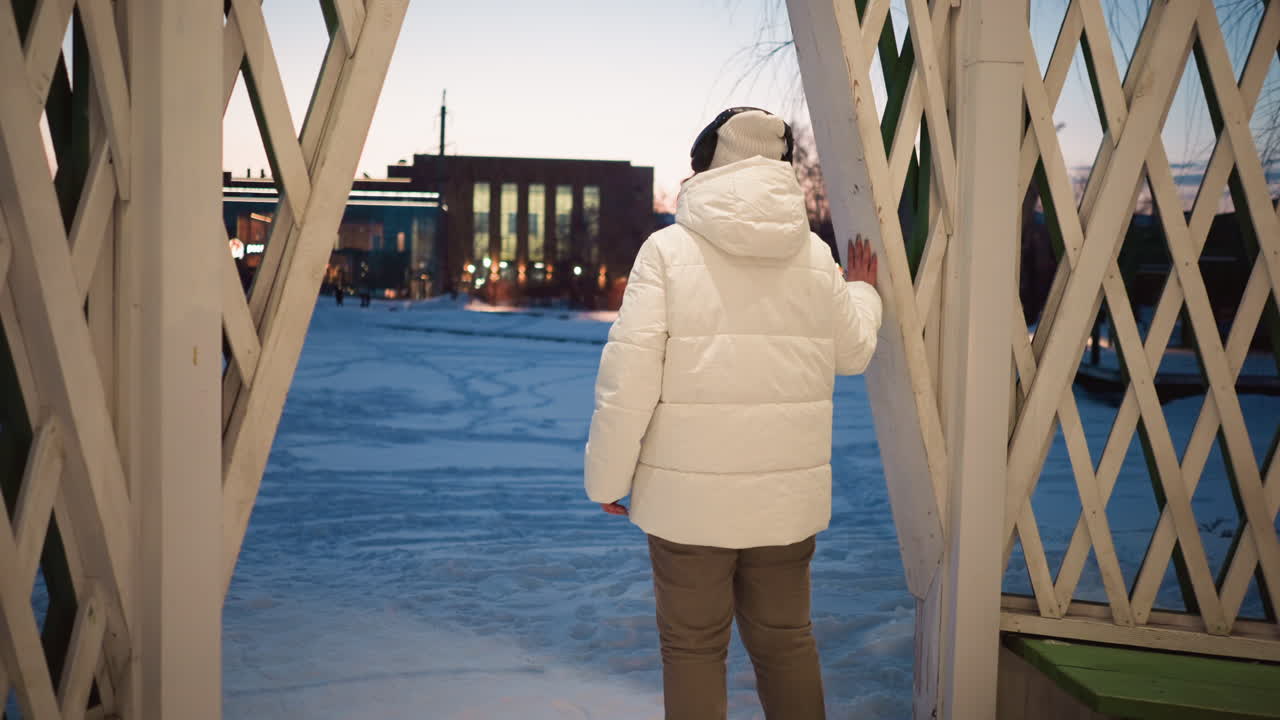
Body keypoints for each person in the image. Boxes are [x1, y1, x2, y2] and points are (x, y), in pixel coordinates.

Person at [583, 107, 881, 720]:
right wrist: (863, 293)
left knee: (692, 648)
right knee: (786, 642)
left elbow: (628, 378)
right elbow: (853, 353)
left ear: (706, 167)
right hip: (784, 502)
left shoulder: (666, 252)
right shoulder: (813, 257)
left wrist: (609, 479)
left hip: (687, 506)